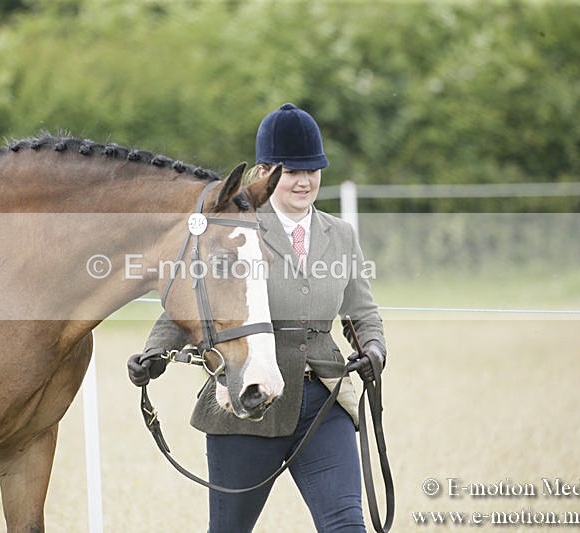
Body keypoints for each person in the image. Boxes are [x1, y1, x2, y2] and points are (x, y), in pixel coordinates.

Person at [128, 103, 387, 532]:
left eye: (313, 170)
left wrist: (373, 346)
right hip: (246, 403)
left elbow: (361, 311)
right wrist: (156, 352)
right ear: (265, 173)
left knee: (346, 525)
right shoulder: (234, 227)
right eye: (291, 172)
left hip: (323, 403)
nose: (304, 181)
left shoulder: (340, 235)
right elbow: (196, 300)